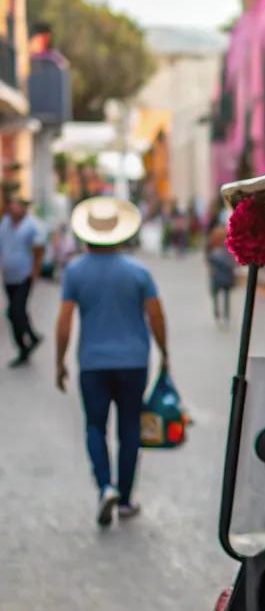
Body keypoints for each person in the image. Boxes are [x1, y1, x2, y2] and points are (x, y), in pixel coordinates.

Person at [55, 196, 169, 528]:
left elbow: (64, 320)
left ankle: (105, 486)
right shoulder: (138, 271)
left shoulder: (74, 271)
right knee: (130, 427)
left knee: (94, 426)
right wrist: (165, 353)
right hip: (134, 362)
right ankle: (126, 498)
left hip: (92, 363)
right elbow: (156, 315)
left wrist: (59, 361)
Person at [0, 194, 45, 366]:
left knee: (14, 311)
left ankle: (26, 344)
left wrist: (34, 272)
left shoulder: (32, 225)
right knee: (17, 312)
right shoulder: (5, 223)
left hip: (24, 276)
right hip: (9, 276)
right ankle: (30, 340)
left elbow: (39, 249)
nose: (13, 208)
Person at [206, 224, 236, 324]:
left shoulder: (215, 246)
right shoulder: (224, 247)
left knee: (219, 295)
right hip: (222, 275)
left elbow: (208, 259)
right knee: (223, 296)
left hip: (218, 275)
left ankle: (219, 314)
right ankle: (223, 315)